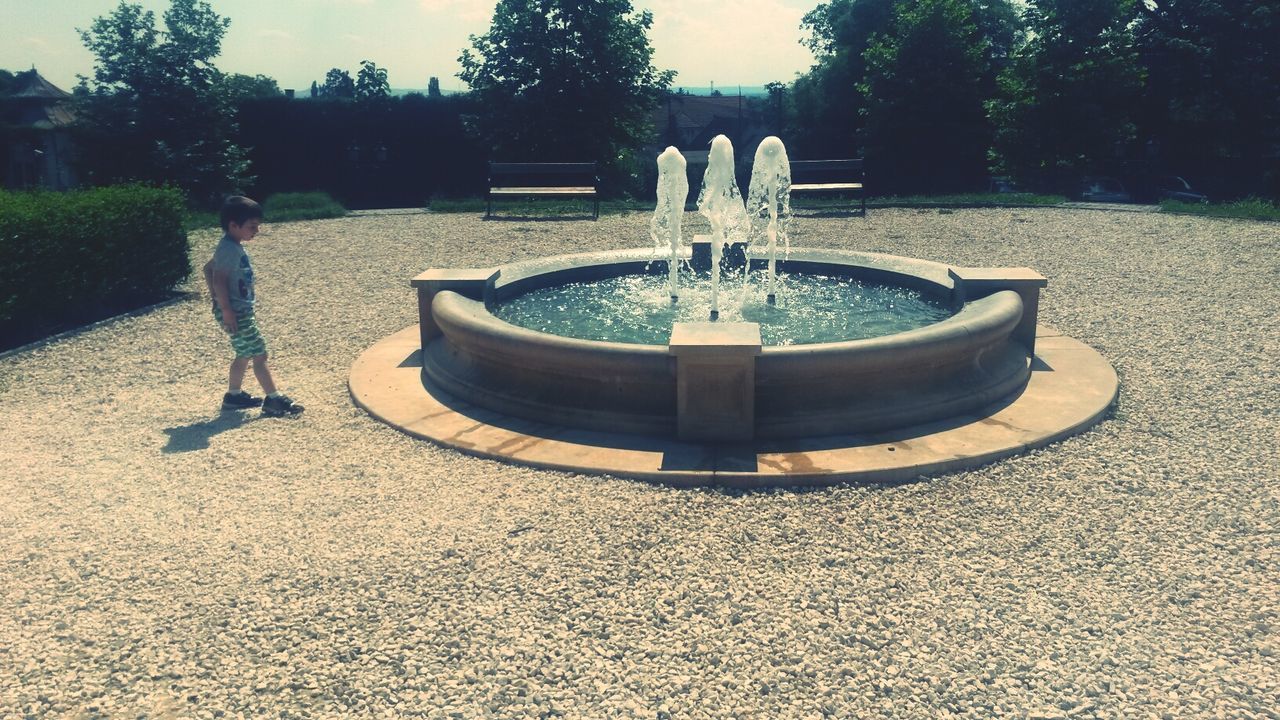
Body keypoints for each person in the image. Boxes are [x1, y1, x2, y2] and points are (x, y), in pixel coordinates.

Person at [203, 195, 304, 417]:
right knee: (260, 355)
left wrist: (217, 301)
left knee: (244, 354)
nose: (256, 231)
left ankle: (233, 396)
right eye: (252, 226)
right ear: (233, 225)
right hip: (237, 313)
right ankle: (273, 399)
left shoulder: (230, 246)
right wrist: (226, 309)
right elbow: (218, 278)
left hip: (237, 310)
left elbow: (208, 268)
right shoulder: (229, 249)